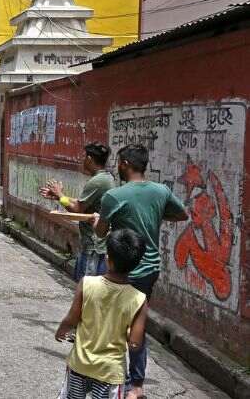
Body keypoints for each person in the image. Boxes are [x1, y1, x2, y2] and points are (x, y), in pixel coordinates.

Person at [93, 144, 188, 399]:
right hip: (149, 269)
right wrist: (153, 214)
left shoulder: (114, 196)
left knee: (110, 323)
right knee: (137, 325)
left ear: (124, 163)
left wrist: (98, 222)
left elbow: (101, 232)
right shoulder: (161, 191)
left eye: (119, 163)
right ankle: (136, 386)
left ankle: (108, 377)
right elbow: (182, 214)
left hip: (121, 268)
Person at [55, 229, 150, 399]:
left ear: (108, 258)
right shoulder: (139, 299)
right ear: (137, 264)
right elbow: (135, 343)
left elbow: (73, 317)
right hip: (110, 371)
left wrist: (62, 329)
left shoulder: (87, 284)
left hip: (80, 364)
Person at [40, 142, 115, 280]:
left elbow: (78, 209)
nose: (82, 160)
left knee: (86, 290)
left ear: (90, 159)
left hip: (94, 246)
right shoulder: (105, 178)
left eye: (83, 156)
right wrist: (58, 196)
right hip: (93, 245)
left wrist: (61, 195)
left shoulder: (98, 181)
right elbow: (83, 203)